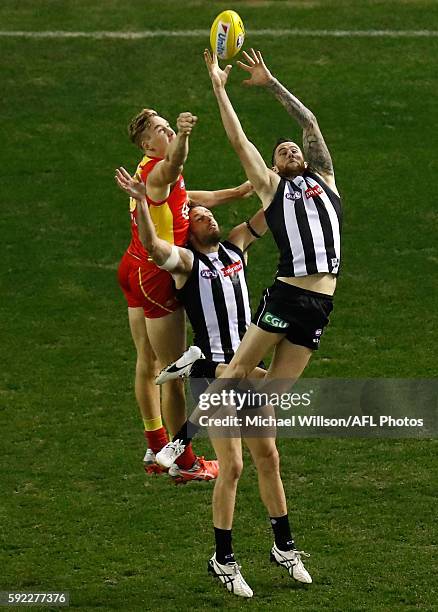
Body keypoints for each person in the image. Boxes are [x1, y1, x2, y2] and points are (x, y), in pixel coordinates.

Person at [159, 49, 342, 597]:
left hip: (320, 305)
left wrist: (270, 82)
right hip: (286, 293)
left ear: (304, 158)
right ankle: (181, 440)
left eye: (290, 149)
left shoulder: (327, 180)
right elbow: (240, 141)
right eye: (279, 149)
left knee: (272, 407)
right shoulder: (272, 188)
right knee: (238, 368)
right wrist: (222, 89)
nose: (286, 149)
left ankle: (284, 547)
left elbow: (308, 122)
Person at [117, 108, 252, 481]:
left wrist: (236, 192)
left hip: (133, 265)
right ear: (149, 145)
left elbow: (188, 194)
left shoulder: (148, 172)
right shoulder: (161, 170)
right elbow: (175, 170)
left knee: (147, 361)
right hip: (158, 276)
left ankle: (156, 442)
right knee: (173, 371)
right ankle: (184, 462)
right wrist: (185, 135)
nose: (168, 133)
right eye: (161, 130)